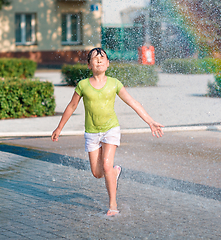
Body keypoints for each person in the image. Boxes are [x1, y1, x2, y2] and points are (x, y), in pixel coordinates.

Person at [51, 48, 164, 216]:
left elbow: (132, 102)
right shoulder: (83, 85)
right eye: (95, 58)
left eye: (102, 57)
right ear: (89, 65)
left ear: (108, 63)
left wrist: (150, 121)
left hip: (111, 129)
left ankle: (113, 205)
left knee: (106, 165)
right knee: (97, 173)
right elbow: (72, 106)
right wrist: (59, 127)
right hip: (91, 132)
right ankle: (115, 172)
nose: (99, 60)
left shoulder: (114, 83)